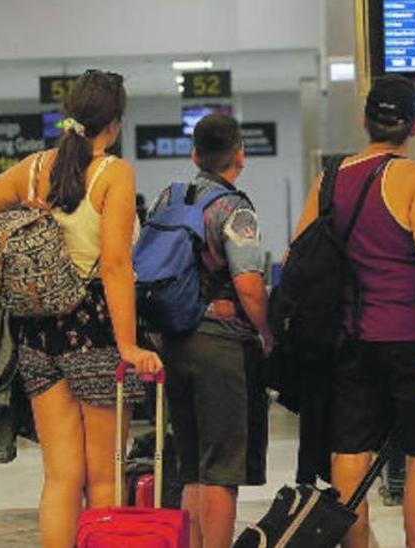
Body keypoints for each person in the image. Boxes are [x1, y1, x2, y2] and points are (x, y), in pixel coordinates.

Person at [0, 70, 162, 547]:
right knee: (104, 476)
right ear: (115, 122)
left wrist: (19, 231)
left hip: (37, 333)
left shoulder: (33, 168)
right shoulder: (114, 173)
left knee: (61, 478)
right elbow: (113, 264)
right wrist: (128, 344)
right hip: (95, 331)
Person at [291, 74, 415, 548]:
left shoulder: (329, 180)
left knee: (349, 452)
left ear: (365, 121)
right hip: (410, 337)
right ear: (414, 126)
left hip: (349, 338)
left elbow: (296, 258)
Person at [151, 113, 272, 548]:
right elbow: (249, 285)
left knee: (192, 466)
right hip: (220, 345)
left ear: (194, 154)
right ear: (239, 154)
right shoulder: (233, 207)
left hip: (174, 341)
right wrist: (266, 332)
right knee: (222, 469)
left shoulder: (169, 196)